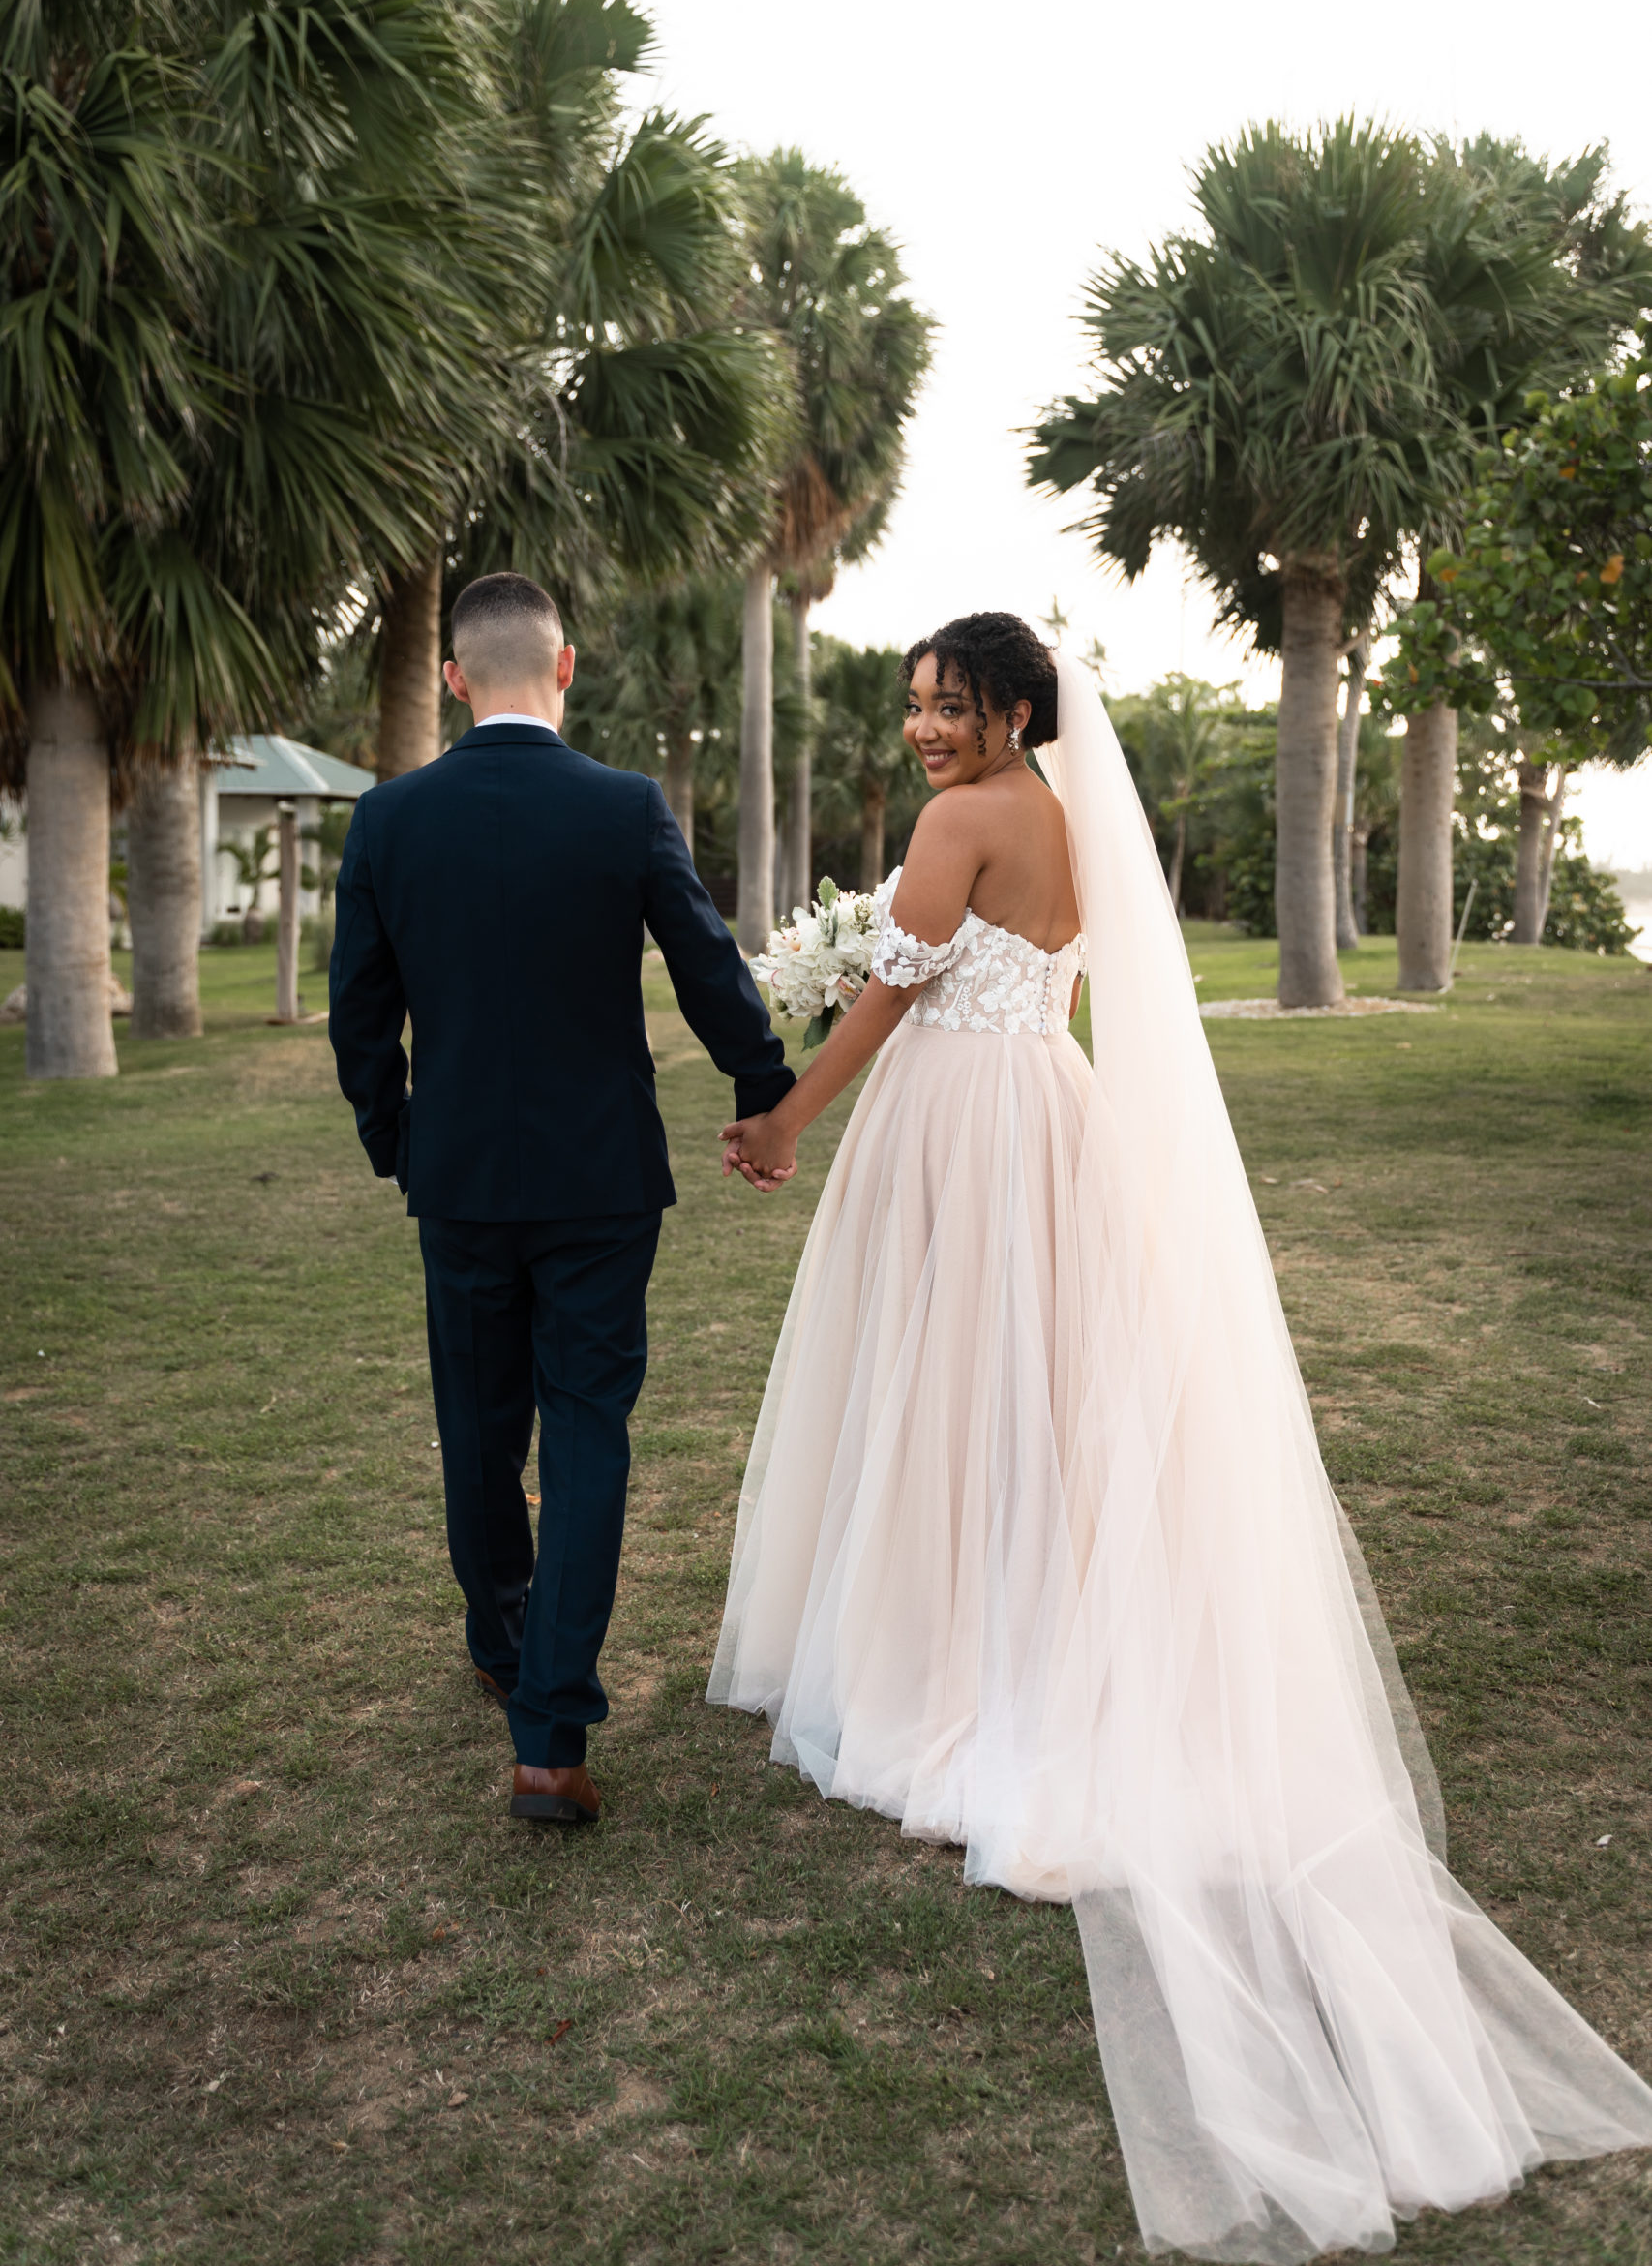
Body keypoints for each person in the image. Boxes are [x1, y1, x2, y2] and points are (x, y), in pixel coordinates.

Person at [711, 612, 1652, 2264]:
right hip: (1046, 1126)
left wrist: (787, 1112)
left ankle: (951, 1662)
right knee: (1026, 1403)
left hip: (962, 1130)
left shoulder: (961, 821)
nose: (927, 729)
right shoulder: (1077, 823)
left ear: (1015, 709)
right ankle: (1013, 1628)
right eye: (916, 706)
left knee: (944, 1392)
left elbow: (883, 998)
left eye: (953, 705)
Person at [328, 571, 794, 1828]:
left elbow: (360, 1019)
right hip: (601, 1181)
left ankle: (499, 1639)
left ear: (454, 677)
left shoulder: (389, 820)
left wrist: (399, 1145)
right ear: (567, 667)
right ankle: (549, 1737)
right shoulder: (623, 807)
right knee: (587, 1425)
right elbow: (708, 968)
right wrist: (764, 1090)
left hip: (463, 1178)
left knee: (479, 1422)